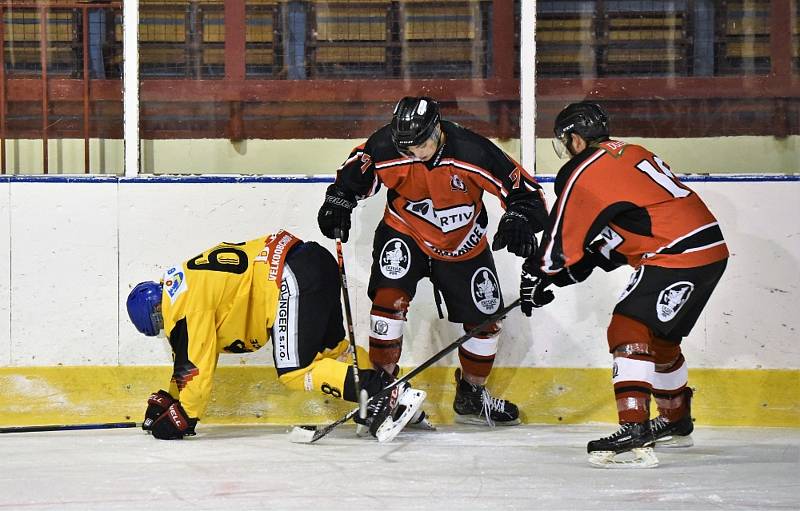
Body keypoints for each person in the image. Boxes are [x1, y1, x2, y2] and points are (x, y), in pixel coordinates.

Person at [317, 96, 548, 426]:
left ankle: (470, 396)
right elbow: (353, 176)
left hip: (463, 244)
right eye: (406, 148)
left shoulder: (473, 151)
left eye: (421, 146)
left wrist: (519, 218)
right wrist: (338, 201)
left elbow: (525, 192)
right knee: (387, 304)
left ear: (437, 129)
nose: (413, 155)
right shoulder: (385, 145)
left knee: (487, 322)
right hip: (404, 231)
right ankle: (382, 392)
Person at [520, 102, 729, 467]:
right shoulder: (631, 153)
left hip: (674, 253)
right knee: (661, 340)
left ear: (575, 139)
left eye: (566, 141)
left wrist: (537, 274)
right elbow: (618, 237)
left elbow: (560, 240)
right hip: (709, 251)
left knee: (627, 327)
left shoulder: (582, 169)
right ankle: (676, 418)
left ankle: (634, 428)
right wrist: (564, 275)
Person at [126, 230, 427, 441]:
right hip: (312, 262)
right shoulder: (182, 285)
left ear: (156, 317)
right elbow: (187, 359)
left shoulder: (182, 309)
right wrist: (170, 397)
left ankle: (383, 394)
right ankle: (400, 394)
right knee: (333, 352)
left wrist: (183, 417)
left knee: (295, 371)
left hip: (289, 276)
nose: (167, 332)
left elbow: (196, 369)